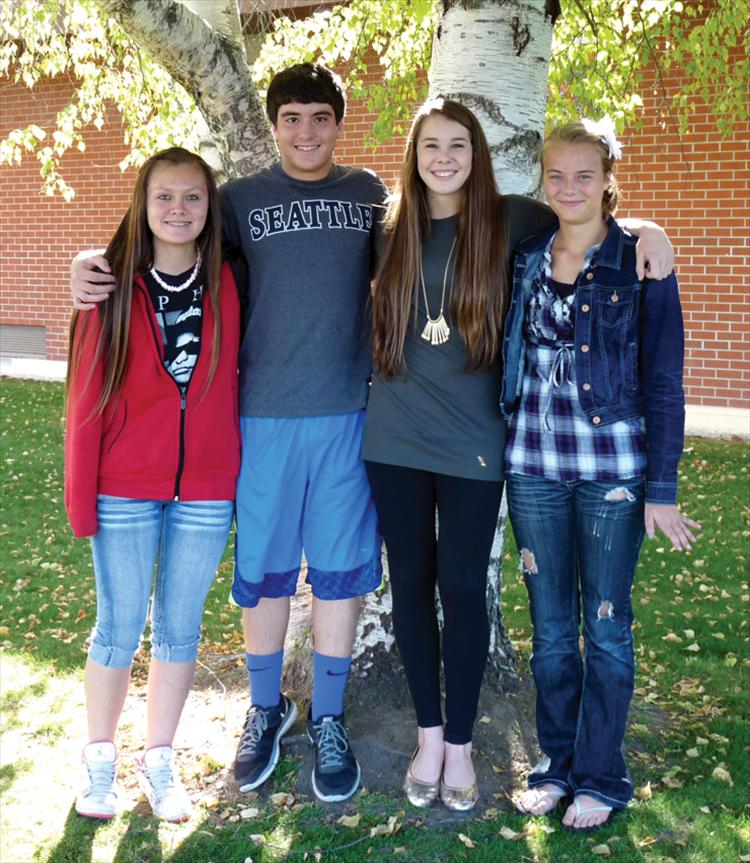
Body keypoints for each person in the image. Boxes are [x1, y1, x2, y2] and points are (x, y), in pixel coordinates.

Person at [69, 64, 387, 804]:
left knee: (340, 575)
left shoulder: (371, 194)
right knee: (266, 578)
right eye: (292, 118)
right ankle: (265, 709)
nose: (306, 131)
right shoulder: (239, 202)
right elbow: (162, 248)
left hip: (345, 410)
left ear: (339, 124)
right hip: (261, 418)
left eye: (319, 117)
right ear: (274, 127)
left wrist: (634, 225)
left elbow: (452, 233)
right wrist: (89, 264)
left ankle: (330, 719)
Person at [362, 99, 676, 812]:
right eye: (430, 145)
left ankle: (467, 746)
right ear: (413, 153)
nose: (443, 158)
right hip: (393, 439)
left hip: (477, 443)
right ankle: (430, 737)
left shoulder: (511, 221)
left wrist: (651, 230)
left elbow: (592, 221)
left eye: (458, 146)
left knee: (465, 589)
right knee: (408, 585)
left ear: (478, 156)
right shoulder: (384, 226)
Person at [500, 119, 700, 831]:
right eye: (557, 175)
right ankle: (556, 765)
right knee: (552, 629)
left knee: (605, 626)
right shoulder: (524, 256)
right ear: (543, 178)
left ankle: (602, 775)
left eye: (585, 175)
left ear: (608, 178)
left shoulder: (639, 262)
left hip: (614, 474)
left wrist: (663, 488)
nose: (570, 188)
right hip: (532, 468)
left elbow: (664, 380)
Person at [65, 147, 242, 822]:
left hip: (205, 488)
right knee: (117, 628)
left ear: (209, 206)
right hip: (123, 487)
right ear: (142, 204)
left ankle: (159, 758)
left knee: (179, 629)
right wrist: (84, 500)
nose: (177, 209)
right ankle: (100, 759)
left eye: (191, 197)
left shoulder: (230, 280)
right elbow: (82, 401)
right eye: (163, 196)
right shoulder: (107, 288)